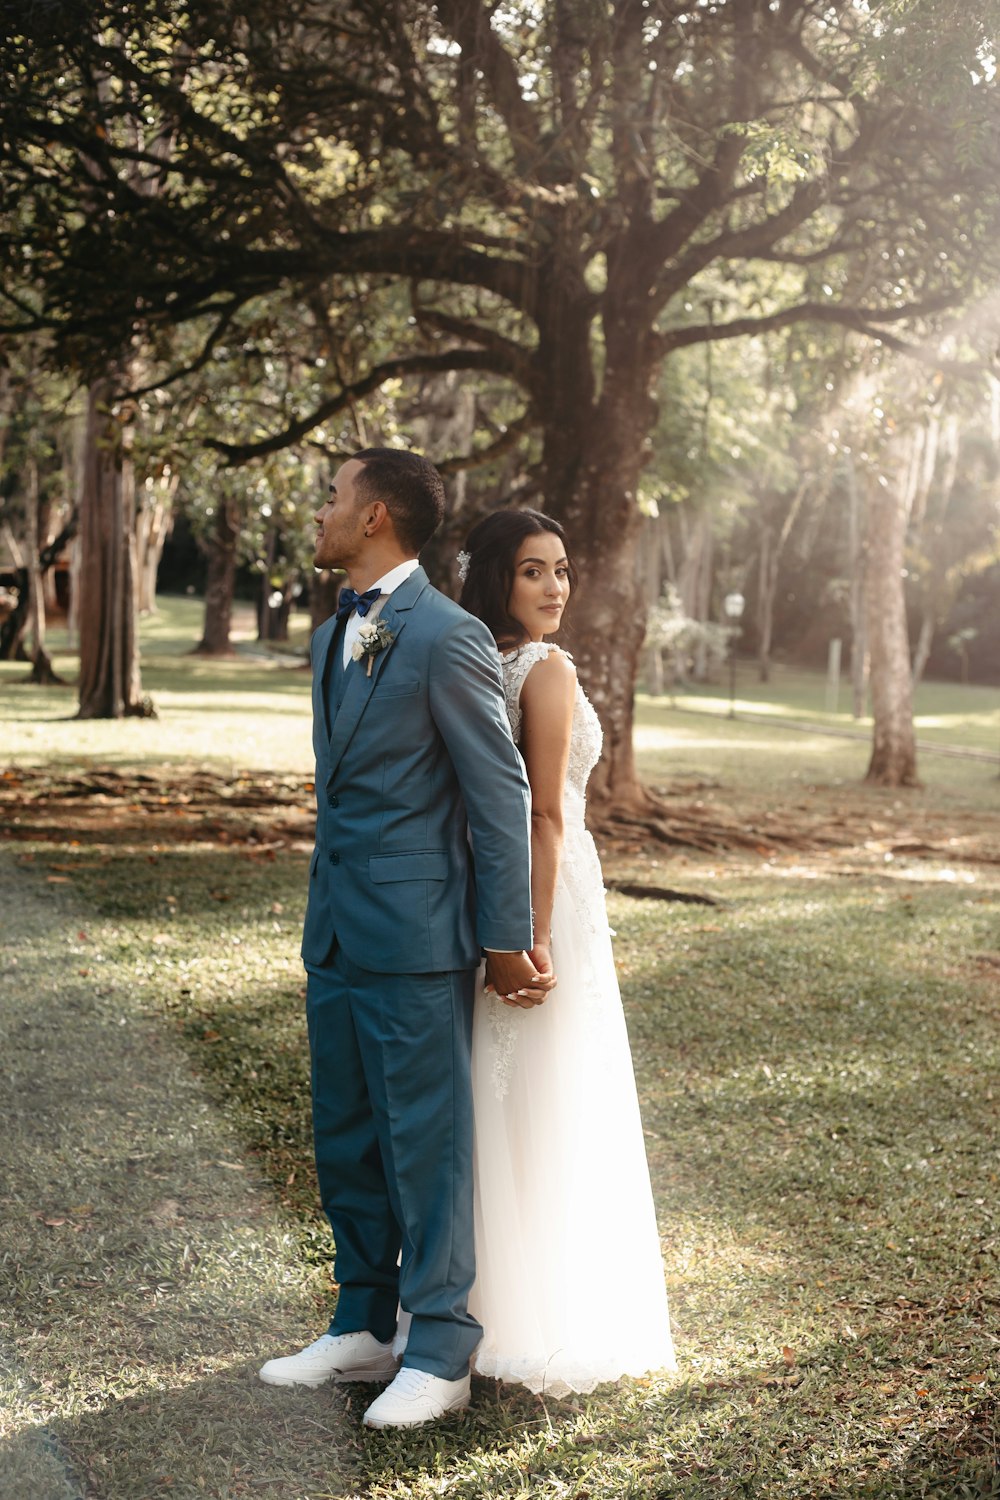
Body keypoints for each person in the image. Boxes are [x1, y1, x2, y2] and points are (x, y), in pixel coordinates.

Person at [259, 450, 554, 1430]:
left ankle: (438, 1345)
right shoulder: (329, 637)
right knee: (345, 1130)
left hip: (420, 934)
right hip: (337, 928)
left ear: (374, 515)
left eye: (332, 497)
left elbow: (499, 792)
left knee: (423, 1143)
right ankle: (362, 1322)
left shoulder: (446, 635)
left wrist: (506, 937)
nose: (322, 511)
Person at [458, 507, 676, 1395]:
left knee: (507, 1090)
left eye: (561, 570)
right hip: (548, 893)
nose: (554, 588)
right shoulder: (542, 669)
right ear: (496, 580)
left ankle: (489, 1303)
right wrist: (534, 935)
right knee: (550, 1084)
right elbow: (544, 813)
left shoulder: (480, 662)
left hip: (515, 885)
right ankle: (539, 1311)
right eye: (532, 571)